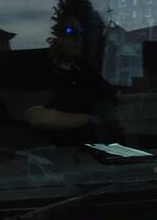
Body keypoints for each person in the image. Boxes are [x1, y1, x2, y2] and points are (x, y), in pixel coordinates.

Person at [22, 15, 121, 144]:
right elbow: (35, 117)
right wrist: (89, 119)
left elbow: (114, 98)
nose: (78, 39)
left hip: (93, 147)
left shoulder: (86, 71)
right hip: (51, 148)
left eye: (80, 34)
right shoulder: (39, 69)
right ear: (57, 37)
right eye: (72, 34)